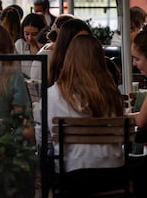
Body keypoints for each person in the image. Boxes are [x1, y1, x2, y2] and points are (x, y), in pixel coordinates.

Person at [46, 34, 125, 196]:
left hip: (71, 173)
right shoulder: (113, 93)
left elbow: (46, 136)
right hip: (113, 171)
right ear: (100, 60)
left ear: (69, 58)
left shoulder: (53, 94)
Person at [15, 13, 48, 78]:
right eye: (27, 34)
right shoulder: (20, 45)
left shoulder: (46, 47)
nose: (30, 38)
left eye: (34, 34)